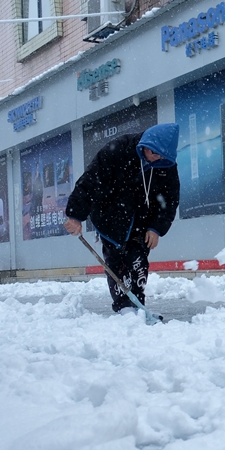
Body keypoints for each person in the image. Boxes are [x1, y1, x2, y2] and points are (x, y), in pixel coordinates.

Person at [64, 123, 181, 313]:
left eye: (162, 157)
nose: (157, 160)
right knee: (117, 263)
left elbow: (170, 199)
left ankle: (137, 306)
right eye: (155, 154)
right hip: (110, 217)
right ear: (146, 145)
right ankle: (124, 308)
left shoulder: (165, 164)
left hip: (142, 221)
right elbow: (90, 181)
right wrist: (76, 215)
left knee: (138, 263)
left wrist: (156, 227)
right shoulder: (118, 150)